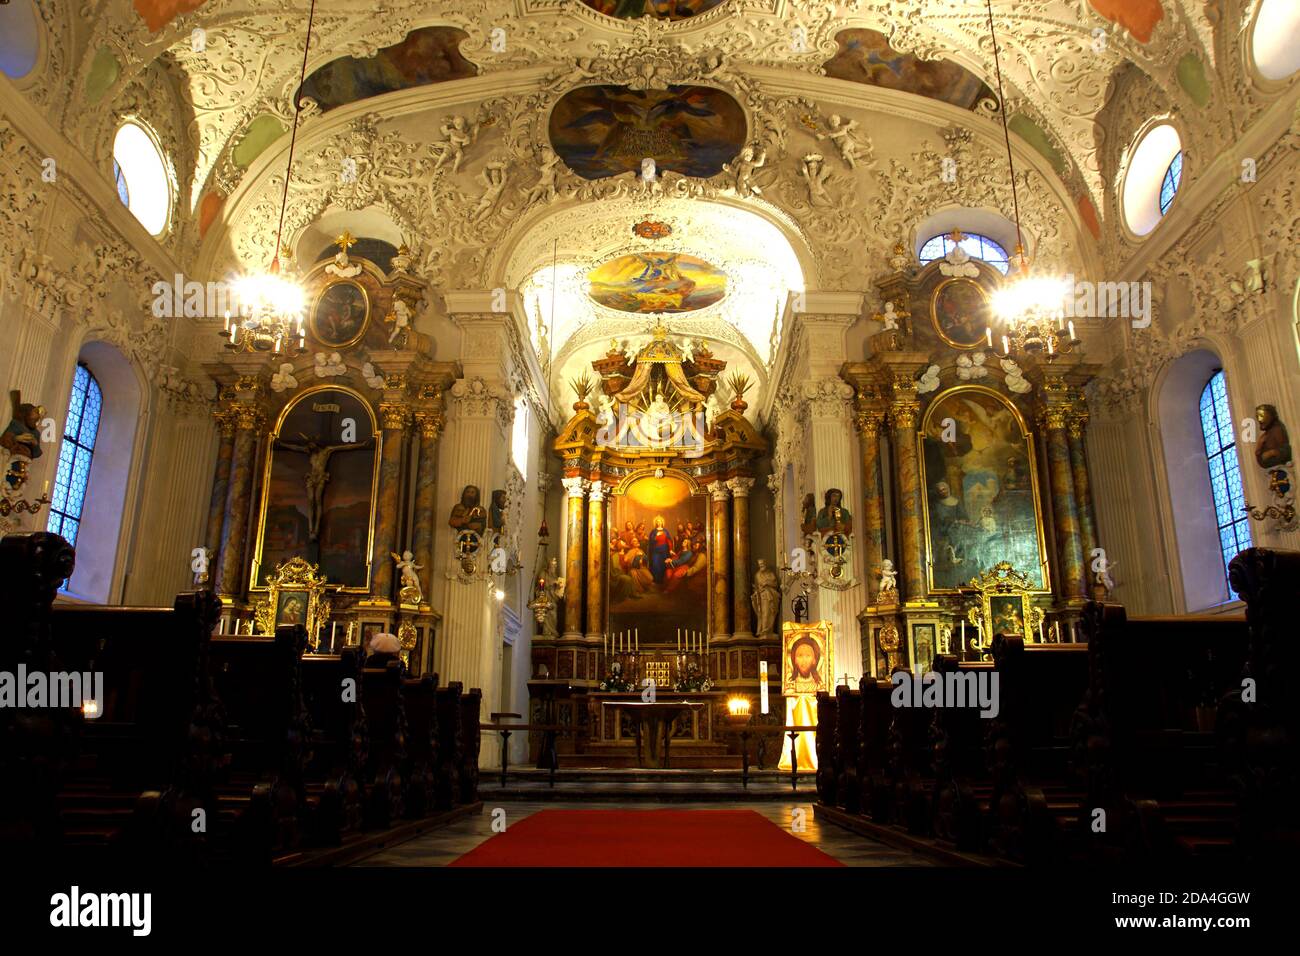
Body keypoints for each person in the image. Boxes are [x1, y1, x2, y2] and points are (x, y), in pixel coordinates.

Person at [646, 515, 674, 586]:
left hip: (664, 550)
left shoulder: (665, 531)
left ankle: (663, 581)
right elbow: (651, 541)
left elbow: (669, 541)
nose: (659, 523)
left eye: (660, 521)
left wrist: (670, 549)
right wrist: (656, 536)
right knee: (655, 564)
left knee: (663, 564)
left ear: (662, 522)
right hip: (655, 550)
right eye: (657, 521)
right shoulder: (654, 531)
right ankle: (656, 580)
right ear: (656, 523)